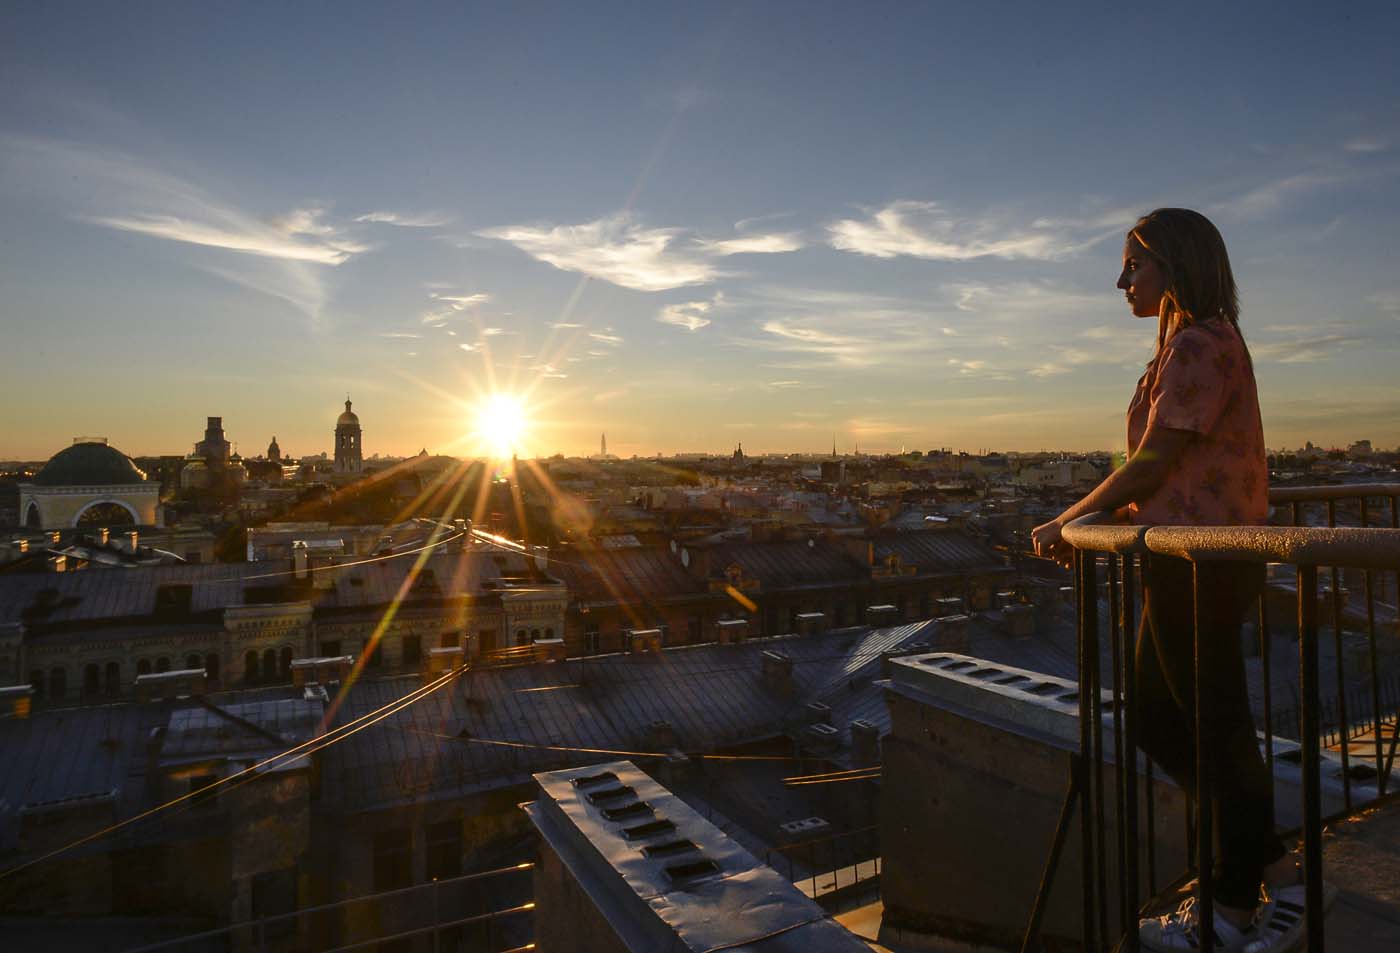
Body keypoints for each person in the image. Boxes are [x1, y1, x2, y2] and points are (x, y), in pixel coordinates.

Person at [1031, 209, 1313, 952]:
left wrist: (1070, 519)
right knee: (1164, 719)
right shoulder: (1195, 343)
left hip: (1201, 561)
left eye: (1135, 264)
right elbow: (1155, 465)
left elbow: (1152, 464)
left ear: (1175, 265)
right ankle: (1269, 866)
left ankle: (1236, 904)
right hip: (1189, 556)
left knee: (1213, 731)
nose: (1122, 280)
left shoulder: (1196, 344)